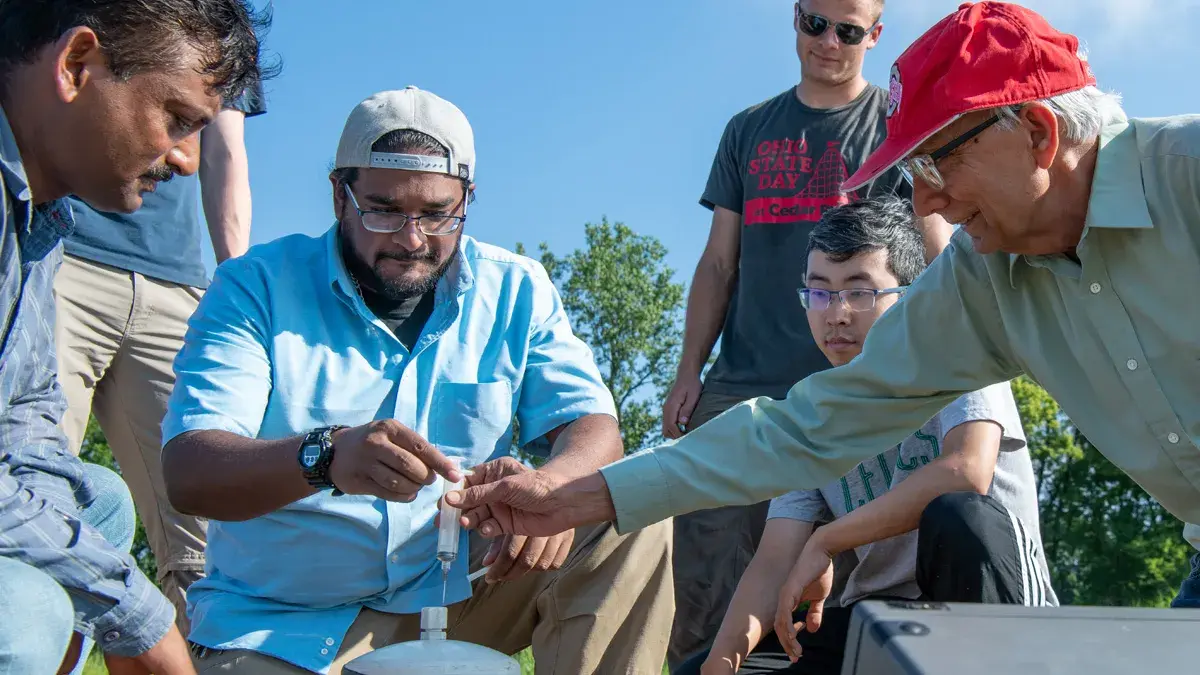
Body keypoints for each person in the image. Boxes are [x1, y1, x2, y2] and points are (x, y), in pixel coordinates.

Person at [446, 0, 1200, 614]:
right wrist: (577, 495)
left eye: (938, 159)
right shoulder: (983, 286)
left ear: (1035, 133)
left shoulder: (1188, 178)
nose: (925, 198)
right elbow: (805, 428)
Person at [160, 87, 673, 675]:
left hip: (463, 594)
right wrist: (324, 457)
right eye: (382, 209)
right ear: (338, 195)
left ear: (468, 200)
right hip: (287, 623)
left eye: (436, 214)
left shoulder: (516, 289)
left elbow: (594, 429)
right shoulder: (255, 286)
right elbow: (191, 473)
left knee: (627, 511)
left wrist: (553, 490)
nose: (411, 239)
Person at [659, 0, 952, 664]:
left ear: (875, 36)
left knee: (832, 592)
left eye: (848, 31)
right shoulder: (748, 130)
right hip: (743, 383)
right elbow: (717, 262)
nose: (827, 41)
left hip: (860, 389)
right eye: (814, 23)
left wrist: (956, 355)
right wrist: (688, 370)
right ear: (794, 19)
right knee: (707, 576)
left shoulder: (894, 125)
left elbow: (939, 248)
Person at [673, 197, 1054, 675]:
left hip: (987, 612)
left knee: (959, 515)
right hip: (880, 625)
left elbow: (965, 473)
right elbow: (773, 561)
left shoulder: (960, 354)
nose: (836, 314)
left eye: (860, 292)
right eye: (820, 292)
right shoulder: (814, 409)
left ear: (910, 295)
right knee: (699, 670)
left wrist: (828, 540)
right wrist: (721, 664)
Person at [0, 1, 267, 673]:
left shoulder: (40, 221)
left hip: (168, 277)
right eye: (176, 121)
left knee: (100, 501)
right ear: (76, 63)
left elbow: (22, 428)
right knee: (32, 612)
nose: (184, 160)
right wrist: (137, 616)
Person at [54, 76, 266, 636]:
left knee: (207, 530)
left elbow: (223, 147)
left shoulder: (225, 23)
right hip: (56, 258)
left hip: (176, 284)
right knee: (34, 488)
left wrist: (233, 283)